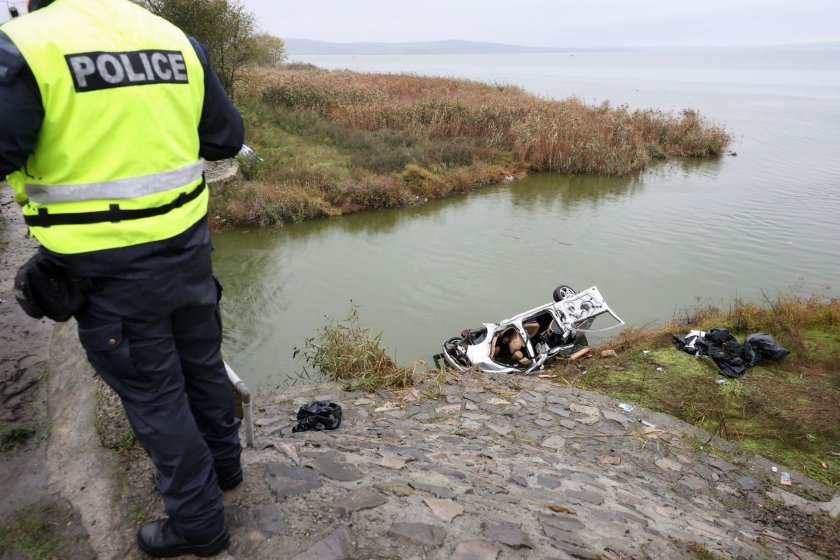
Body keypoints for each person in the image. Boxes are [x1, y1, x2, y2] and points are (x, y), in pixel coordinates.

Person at [1, 0, 244, 556]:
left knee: (155, 394)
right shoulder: (172, 38)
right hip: (187, 247)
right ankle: (225, 470)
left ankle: (199, 524)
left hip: (106, 266)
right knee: (202, 364)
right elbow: (225, 138)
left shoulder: (26, 43)